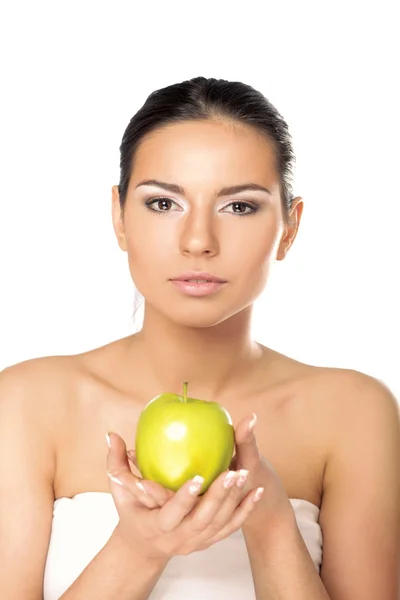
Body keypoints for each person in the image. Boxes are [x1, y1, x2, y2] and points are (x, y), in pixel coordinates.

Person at [0, 76, 399, 600]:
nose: (198, 241)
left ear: (289, 227)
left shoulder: (355, 411)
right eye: (163, 203)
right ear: (119, 216)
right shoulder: (27, 401)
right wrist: (140, 548)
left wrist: (271, 523)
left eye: (239, 206)